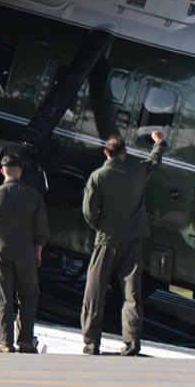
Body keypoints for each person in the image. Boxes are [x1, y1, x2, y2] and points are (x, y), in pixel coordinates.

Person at [80, 131, 166, 356]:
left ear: (106, 153)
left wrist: (100, 224)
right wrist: (159, 144)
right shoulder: (136, 173)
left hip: (106, 241)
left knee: (94, 292)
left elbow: (89, 212)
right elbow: (153, 162)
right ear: (124, 154)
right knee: (132, 294)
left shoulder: (97, 177)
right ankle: (132, 341)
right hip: (131, 243)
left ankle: (91, 342)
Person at [0, 154, 50, 353]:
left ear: (2, 172)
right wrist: (38, 252)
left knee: (2, 295)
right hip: (25, 248)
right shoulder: (34, 196)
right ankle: (26, 340)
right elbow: (42, 230)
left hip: (0, 247)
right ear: (20, 171)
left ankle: (4, 341)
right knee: (28, 295)